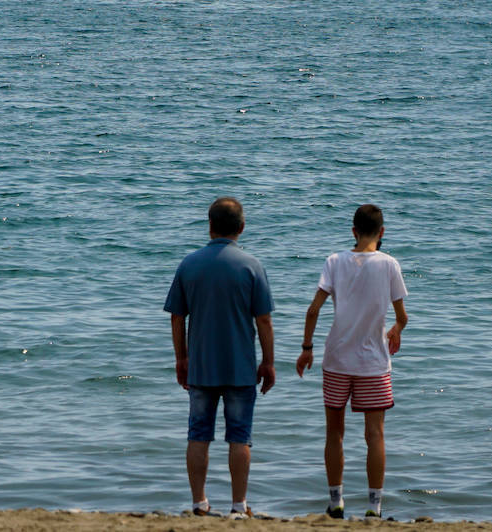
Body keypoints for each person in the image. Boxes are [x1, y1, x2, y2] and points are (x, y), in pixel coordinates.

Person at [295, 203, 409, 519]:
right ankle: (374, 507)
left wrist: (306, 348)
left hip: (336, 359)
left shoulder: (334, 262)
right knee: (375, 435)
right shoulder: (389, 265)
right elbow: (402, 317)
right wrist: (394, 330)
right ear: (382, 232)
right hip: (373, 361)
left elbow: (313, 310)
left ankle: (336, 503)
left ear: (353, 232)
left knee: (335, 433)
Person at [164, 197, 276, 518]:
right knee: (240, 436)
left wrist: (181, 358)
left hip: (201, 365)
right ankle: (239, 507)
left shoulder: (189, 264)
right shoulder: (252, 266)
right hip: (241, 367)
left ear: (209, 225)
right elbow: (264, 321)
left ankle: (199, 503)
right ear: (241, 228)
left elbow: (176, 317)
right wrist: (268, 363)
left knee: (198, 434)